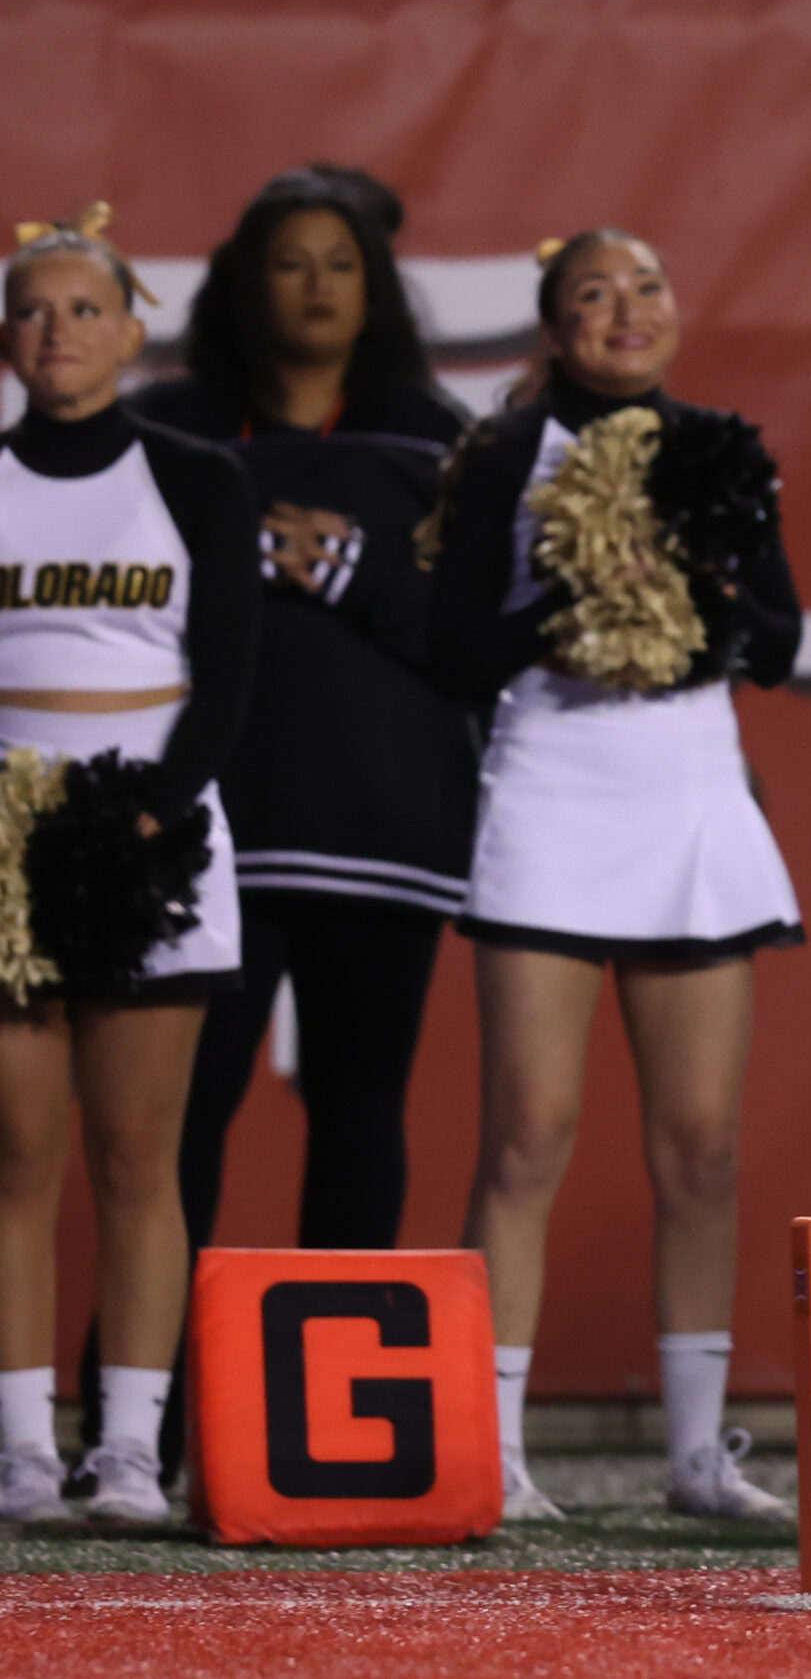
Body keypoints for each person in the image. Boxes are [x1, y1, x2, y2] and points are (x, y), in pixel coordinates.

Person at [72, 166, 476, 1482]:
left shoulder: (437, 437)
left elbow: (485, 638)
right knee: (179, 1123)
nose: (313, 286)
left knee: (360, 1109)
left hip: (379, 826)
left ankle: (332, 1428)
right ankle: (143, 1428)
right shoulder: (167, 433)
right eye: (287, 262)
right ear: (238, 285)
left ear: (376, 291)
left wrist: (349, 569)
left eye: (339, 263)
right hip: (196, 830)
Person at [425, 228, 803, 1523]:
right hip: (549, 791)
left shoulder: (718, 448)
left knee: (700, 1148)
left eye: (647, 283)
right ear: (553, 326)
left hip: (690, 792)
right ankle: (496, 1445)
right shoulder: (502, 458)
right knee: (527, 1136)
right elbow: (456, 650)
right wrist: (572, 593)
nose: (625, 309)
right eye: (593, 293)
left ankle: (699, 1457)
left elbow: (781, 641)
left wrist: (700, 581)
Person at [0, 209, 260, 1523]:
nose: (59, 332)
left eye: (85, 309)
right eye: (34, 311)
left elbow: (230, 674)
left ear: (133, 329)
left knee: (137, 1159)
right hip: (4, 834)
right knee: (14, 1156)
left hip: (150, 829)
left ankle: (125, 1451)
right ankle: (23, 1453)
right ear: (6, 335)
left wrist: (154, 810)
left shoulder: (197, 475)